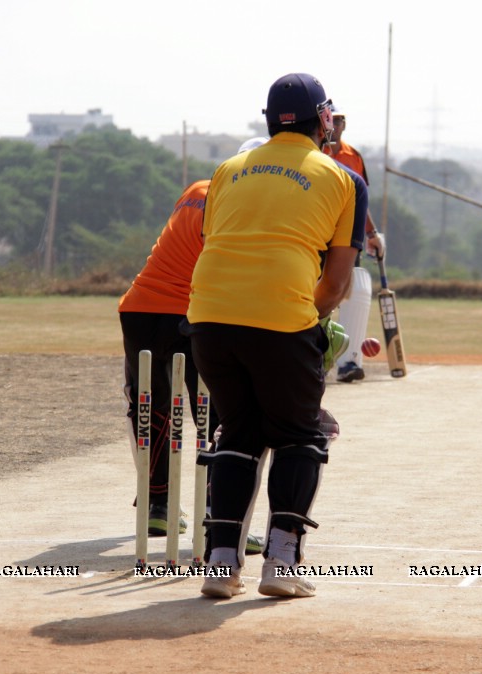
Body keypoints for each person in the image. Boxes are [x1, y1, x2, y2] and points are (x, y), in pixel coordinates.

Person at [187, 73, 368, 599]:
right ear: (324, 120)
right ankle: (282, 563)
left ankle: (222, 567)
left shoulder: (226, 170)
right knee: (300, 435)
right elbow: (336, 283)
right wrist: (310, 322)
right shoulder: (343, 178)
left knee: (238, 434)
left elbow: (219, 245)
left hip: (209, 317)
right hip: (281, 318)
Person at [117, 137, 269, 555]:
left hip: (141, 307)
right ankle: (219, 518)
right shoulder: (242, 204)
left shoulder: (196, 189)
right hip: (194, 312)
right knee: (221, 412)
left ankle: (159, 504)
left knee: (150, 406)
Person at [323, 104, 385, 383]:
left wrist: (372, 234)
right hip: (318, 233)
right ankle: (316, 358)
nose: (333, 126)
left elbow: (361, 202)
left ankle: (349, 362)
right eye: (329, 121)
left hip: (347, 236)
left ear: (344, 124)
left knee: (356, 290)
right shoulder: (313, 152)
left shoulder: (353, 157)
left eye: (338, 121)